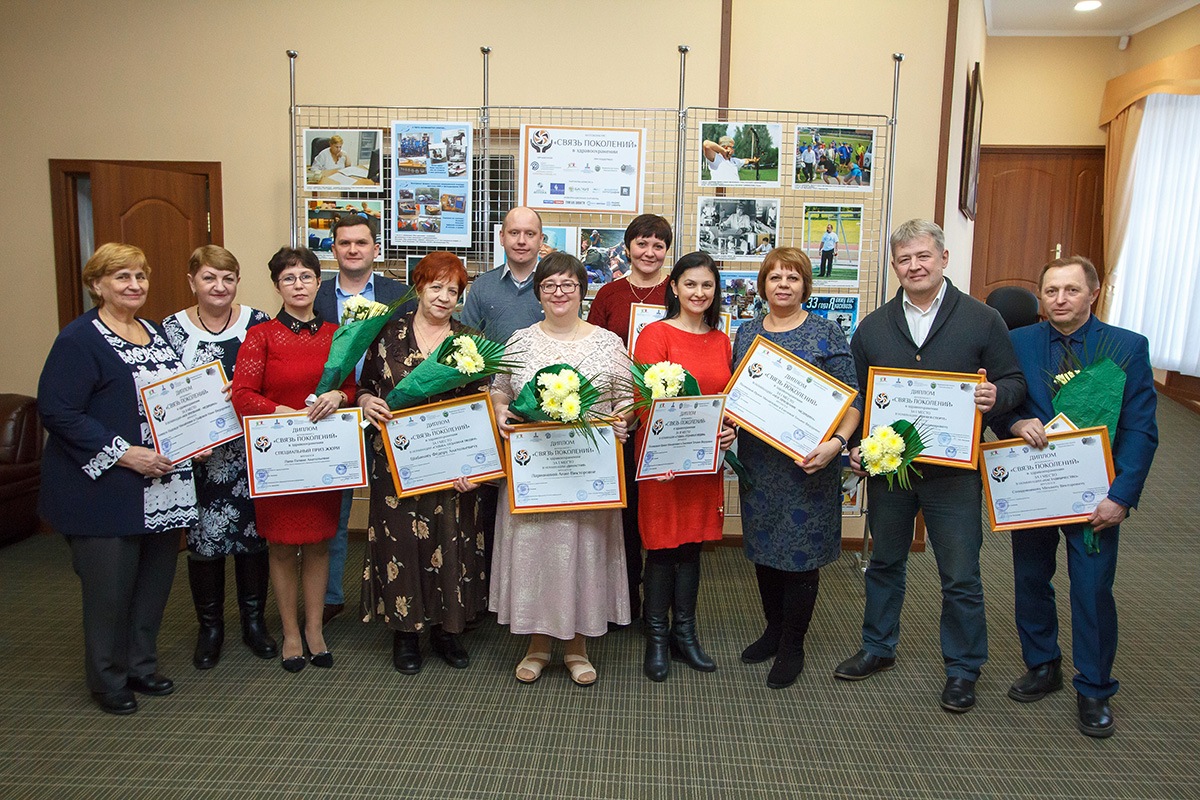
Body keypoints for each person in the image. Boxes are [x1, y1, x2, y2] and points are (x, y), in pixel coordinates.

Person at [833, 219, 1026, 713]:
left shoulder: (983, 320)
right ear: (894, 266)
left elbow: (1013, 382)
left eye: (923, 256)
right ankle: (878, 647)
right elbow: (859, 396)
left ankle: (963, 668)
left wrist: (995, 395)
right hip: (891, 473)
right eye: (904, 259)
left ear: (943, 258)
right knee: (884, 563)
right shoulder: (874, 326)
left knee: (960, 573)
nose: (915, 266)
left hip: (953, 474)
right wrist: (853, 443)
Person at [991, 256, 1157, 738]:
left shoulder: (1126, 347)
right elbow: (1002, 401)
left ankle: (1095, 687)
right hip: (1033, 490)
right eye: (1051, 291)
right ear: (1039, 298)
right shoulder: (1017, 342)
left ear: (1093, 293)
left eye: (1071, 290)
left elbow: (1141, 429)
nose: (1060, 299)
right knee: (1030, 579)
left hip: (1096, 497)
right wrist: (1012, 422)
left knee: (1091, 588)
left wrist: (1121, 496)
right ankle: (1043, 664)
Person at [38, 243, 198, 715]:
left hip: (163, 484)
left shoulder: (153, 332)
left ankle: (140, 666)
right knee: (109, 591)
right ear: (97, 285)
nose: (134, 285)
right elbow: (58, 412)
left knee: (152, 584)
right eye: (122, 277)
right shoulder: (79, 339)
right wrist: (127, 455)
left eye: (140, 276)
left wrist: (199, 434)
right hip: (105, 490)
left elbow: (177, 398)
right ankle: (107, 679)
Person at [489, 252, 631, 686]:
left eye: (568, 284)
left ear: (582, 291)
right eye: (550, 285)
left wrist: (622, 421)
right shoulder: (520, 341)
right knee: (534, 551)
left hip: (588, 474)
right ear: (539, 293)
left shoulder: (607, 342)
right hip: (537, 473)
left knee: (582, 552)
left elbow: (626, 397)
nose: (559, 292)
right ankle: (536, 644)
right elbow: (499, 393)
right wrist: (500, 415)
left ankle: (577, 646)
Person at [357, 253, 489, 674]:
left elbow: (480, 408)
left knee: (451, 542)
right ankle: (405, 634)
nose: (444, 297)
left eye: (453, 290)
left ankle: (447, 631)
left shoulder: (469, 341)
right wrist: (365, 401)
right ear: (418, 287)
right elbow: (364, 386)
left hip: (453, 468)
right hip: (396, 463)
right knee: (401, 542)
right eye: (436, 287)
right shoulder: (386, 335)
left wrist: (479, 469)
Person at [734, 248, 860, 689]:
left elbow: (852, 401)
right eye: (775, 277)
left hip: (809, 467)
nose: (783, 284)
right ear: (762, 285)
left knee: (800, 558)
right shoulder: (746, 332)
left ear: (806, 285)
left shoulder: (827, 332)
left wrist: (837, 445)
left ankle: (793, 644)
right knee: (765, 551)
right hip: (759, 466)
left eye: (792, 277)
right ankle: (772, 629)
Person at [232, 246, 356, 672]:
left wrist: (340, 394)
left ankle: (315, 628)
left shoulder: (337, 335)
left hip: (322, 456)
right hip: (279, 460)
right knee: (282, 549)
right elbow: (243, 395)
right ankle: (289, 632)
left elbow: (352, 389)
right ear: (277, 286)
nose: (298, 285)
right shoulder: (261, 336)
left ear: (318, 283)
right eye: (289, 278)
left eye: (306, 277)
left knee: (321, 545)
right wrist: (279, 412)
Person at [162, 245, 275, 670]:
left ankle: (253, 623)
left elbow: (276, 381)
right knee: (204, 543)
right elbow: (158, 394)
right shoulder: (169, 331)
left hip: (252, 452)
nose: (219, 286)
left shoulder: (258, 324)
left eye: (228, 278)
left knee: (253, 538)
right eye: (209, 278)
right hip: (198, 458)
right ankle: (210, 628)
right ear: (192, 281)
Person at [633, 252, 737, 682]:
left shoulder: (722, 340)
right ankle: (657, 637)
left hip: (704, 463)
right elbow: (642, 402)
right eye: (690, 284)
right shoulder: (654, 335)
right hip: (662, 464)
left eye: (707, 286)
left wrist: (730, 430)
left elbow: (727, 400)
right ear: (674, 287)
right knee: (661, 548)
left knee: (692, 547)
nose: (699, 293)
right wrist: (668, 451)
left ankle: (685, 635)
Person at [314, 214, 414, 625]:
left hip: (391, 411)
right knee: (333, 511)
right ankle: (331, 597)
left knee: (397, 507)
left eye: (361, 242)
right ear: (333, 249)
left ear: (376, 248)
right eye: (344, 243)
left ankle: (399, 596)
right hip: (332, 415)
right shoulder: (315, 295)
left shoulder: (400, 294)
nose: (352, 249)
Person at [586, 215, 672, 620]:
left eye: (658, 245)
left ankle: (657, 603)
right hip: (615, 417)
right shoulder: (609, 293)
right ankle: (624, 600)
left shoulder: (674, 292)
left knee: (653, 512)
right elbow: (590, 347)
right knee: (621, 511)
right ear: (627, 247)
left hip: (661, 414)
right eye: (642, 243)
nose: (649, 252)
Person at [461, 206, 548, 582]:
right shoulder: (481, 288)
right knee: (488, 502)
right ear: (502, 238)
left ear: (541, 240)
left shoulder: (553, 283)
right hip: (492, 408)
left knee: (535, 500)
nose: (522, 240)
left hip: (545, 411)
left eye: (530, 234)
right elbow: (465, 347)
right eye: (514, 233)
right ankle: (490, 589)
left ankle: (532, 584)